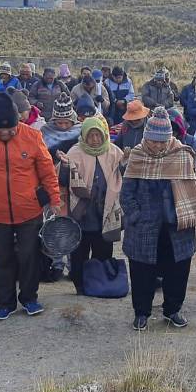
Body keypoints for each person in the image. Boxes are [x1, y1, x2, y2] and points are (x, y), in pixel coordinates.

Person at [0, 92, 63, 320]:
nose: (6, 133)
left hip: (29, 211)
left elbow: (47, 172)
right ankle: (5, 302)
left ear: (18, 122)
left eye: (11, 129)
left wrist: (55, 199)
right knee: (1, 259)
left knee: (29, 257)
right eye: (0, 130)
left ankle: (29, 298)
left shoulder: (33, 137)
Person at [121, 107, 196, 331]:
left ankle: (173, 310)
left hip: (177, 226)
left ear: (170, 138)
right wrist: (136, 216)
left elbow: (195, 187)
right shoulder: (137, 156)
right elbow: (126, 193)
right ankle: (141, 313)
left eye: (162, 141)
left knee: (177, 270)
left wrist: (192, 214)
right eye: (153, 141)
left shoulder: (182, 155)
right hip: (144, 227)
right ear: (146, 137)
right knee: (141, 272)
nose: (158, 146)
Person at [59, 116, 123, 294]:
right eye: (91, 136)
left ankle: (100, 282)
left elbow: (123, 176)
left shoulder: (114, 152)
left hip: (105, 210)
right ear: (84, 136)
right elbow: (63, 181)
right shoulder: (74, 153)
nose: (95, 140)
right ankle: (80, 285)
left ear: (104, 135)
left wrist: (125, 165)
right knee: (79, 251)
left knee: (103, 249)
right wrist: (65, 167)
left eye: (98, 135)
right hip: (82, 212)